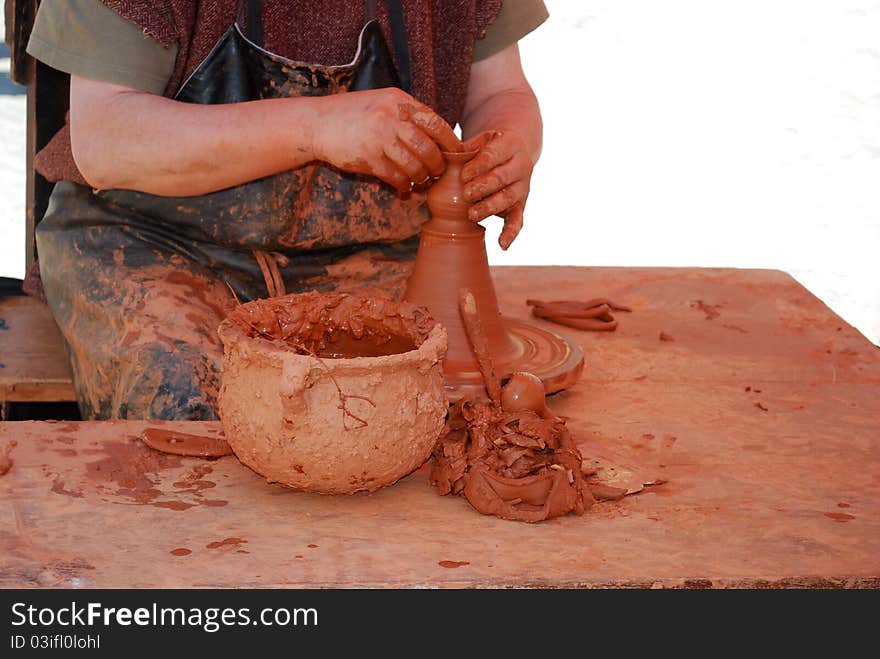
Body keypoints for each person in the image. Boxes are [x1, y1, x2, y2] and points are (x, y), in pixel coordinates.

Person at [25, 0, 548, 420]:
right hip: (153, 242)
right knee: (199, 411)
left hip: (369, 251)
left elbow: (500, 89)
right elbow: (106, 140)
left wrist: (510, 145)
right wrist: (316, 128)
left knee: (450, 410)